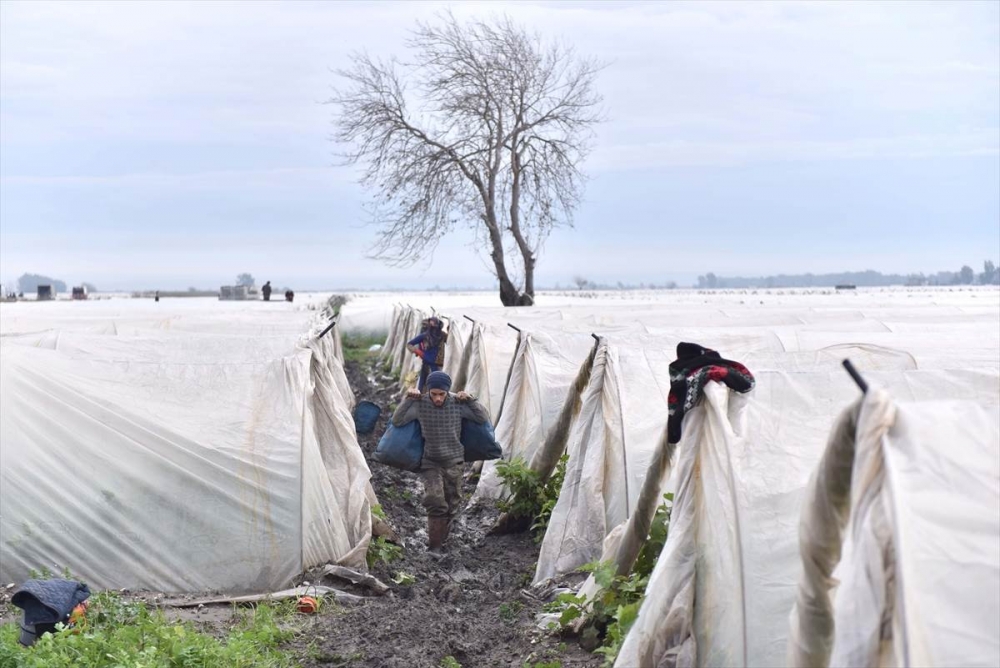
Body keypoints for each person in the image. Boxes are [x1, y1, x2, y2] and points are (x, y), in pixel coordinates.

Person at [391, 371, 488, 552]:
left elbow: (482, 418)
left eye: (441, 394)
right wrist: (408, 399)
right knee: (435, 501)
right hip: (431, 462)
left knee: (452, 505)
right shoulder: (420, 403)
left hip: (454, 462)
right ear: (428, 390)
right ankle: (434, 547)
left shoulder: (458, 403)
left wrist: (471, 400)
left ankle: (443, 542)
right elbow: (397, 421)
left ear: (447, 391)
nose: (437, 398)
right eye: (434, 394)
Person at [407, 317, 447, 391]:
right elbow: (409, 344)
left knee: (435, 381)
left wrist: (449, 329)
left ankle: (431, 394)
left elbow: (450, 339)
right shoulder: (425, 335)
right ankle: (420, 394)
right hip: (426, 361)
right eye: (430, 324)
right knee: (422, 380)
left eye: (434, 324)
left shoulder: (442, 335)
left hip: (437, 363)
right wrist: (417, 351)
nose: (432, 326)